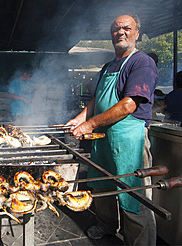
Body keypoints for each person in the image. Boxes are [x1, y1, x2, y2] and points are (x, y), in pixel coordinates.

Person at [66, 14, 157, 245]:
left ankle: (140, 242)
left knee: (133, 195)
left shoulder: (142, 62)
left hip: (128, 141)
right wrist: (79, 119)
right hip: (103, 138)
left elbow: (129, 104)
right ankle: (107, 226)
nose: (121, 32)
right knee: (101, 186)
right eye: (116, 29)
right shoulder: (108, 66)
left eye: (127, 28)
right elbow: (96, 100)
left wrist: (90, 124)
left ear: (136, 33)